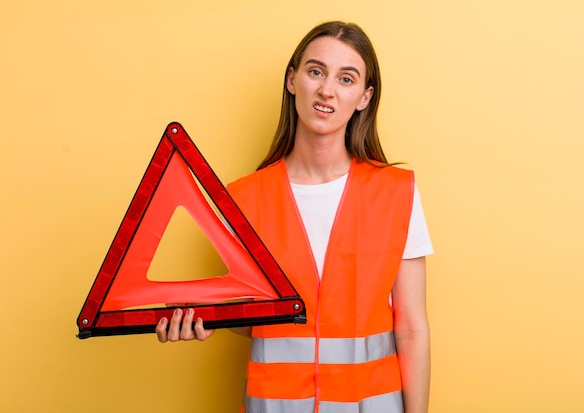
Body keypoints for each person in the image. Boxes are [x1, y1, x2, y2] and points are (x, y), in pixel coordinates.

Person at [156, 21, 433, 413]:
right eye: (315, 71)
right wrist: (202, 319)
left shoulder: (395, 192)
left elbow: (411, 327)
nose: (327, 90)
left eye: (346, 78)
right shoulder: (244, 199)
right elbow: (256, 319)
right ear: (292, 80)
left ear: (365, 97)